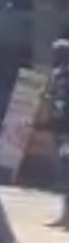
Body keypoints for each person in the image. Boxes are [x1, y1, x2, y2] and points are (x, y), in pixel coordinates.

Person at [53, 39, 69, 227]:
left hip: (67, 128)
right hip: (58, 127)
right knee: (62, 174)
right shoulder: (57, 75)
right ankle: (65, 215)